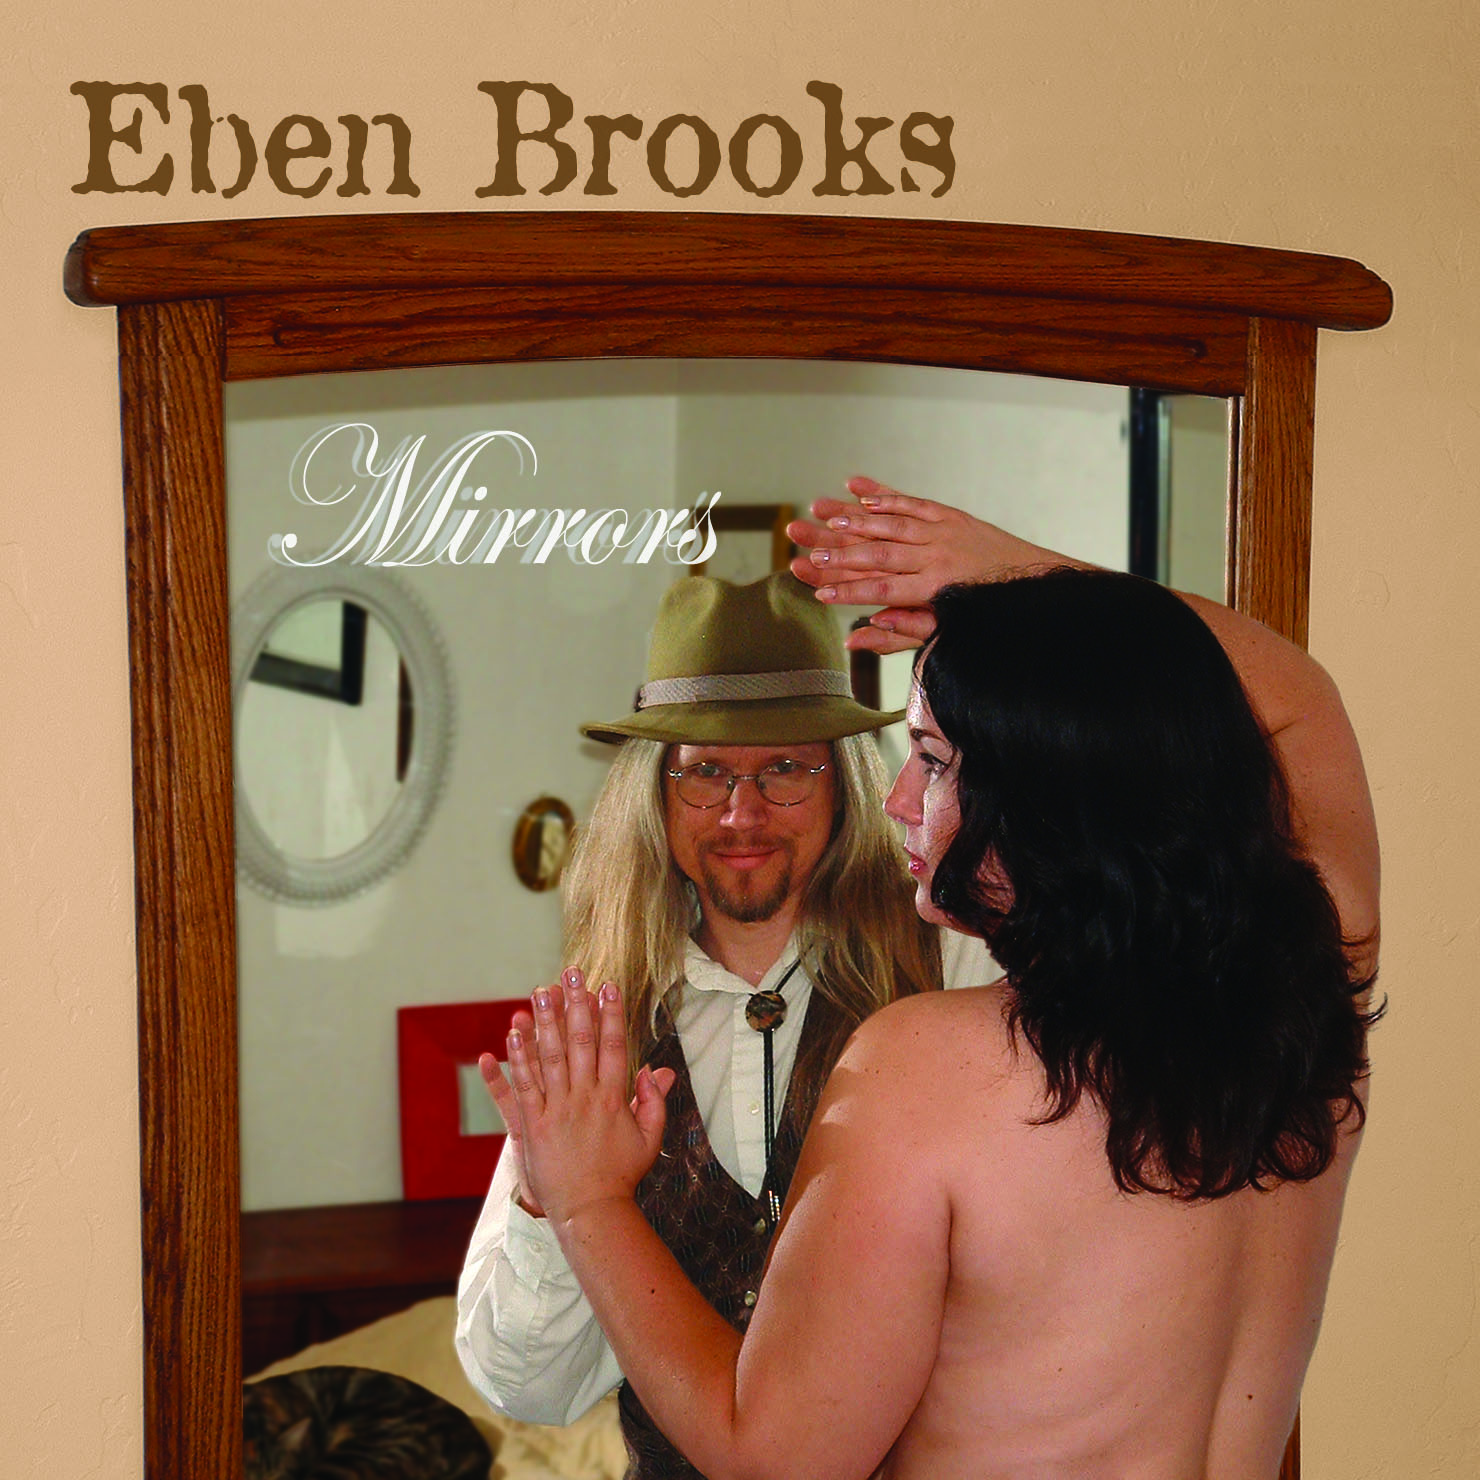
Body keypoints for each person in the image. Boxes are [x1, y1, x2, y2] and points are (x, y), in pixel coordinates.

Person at [484, 480, 1381, 1480]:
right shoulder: (1308, 998)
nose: (898, 799)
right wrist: (1013, 575)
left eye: (933, 758)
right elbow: (1299, 698)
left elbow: (771, 1457)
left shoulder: (926, 1064)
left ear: (1044, 790)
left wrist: (586, 1201)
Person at [455, 568, 995, 1475]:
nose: (743, 813)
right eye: (705, 773)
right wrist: (555, 1193)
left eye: (785, 769)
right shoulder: (600, 1030)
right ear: (656, 794)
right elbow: (530, 1392)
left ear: (844, 782)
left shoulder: (956, 970)